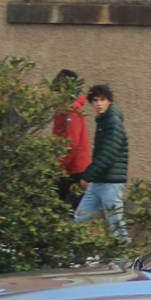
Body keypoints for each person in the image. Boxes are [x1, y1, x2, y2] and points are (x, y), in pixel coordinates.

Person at [74, 83, 128, 238]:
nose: (98, 104)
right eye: (95, 100)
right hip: (99, 180)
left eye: (102, 100)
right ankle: (80, 257)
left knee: (115, 223)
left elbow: (108, 152)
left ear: (109, 101)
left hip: (111, 181)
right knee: (81, 217)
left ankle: (121, 261)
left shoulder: (113, 121)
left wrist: (88, 175)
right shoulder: (104, 121)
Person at [50, 69, 91, 205]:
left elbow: (71, 143)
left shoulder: (72, 109)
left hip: (72, 170)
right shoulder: (67, 109)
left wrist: (59, 167)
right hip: (70, 168)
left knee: (67, 211)